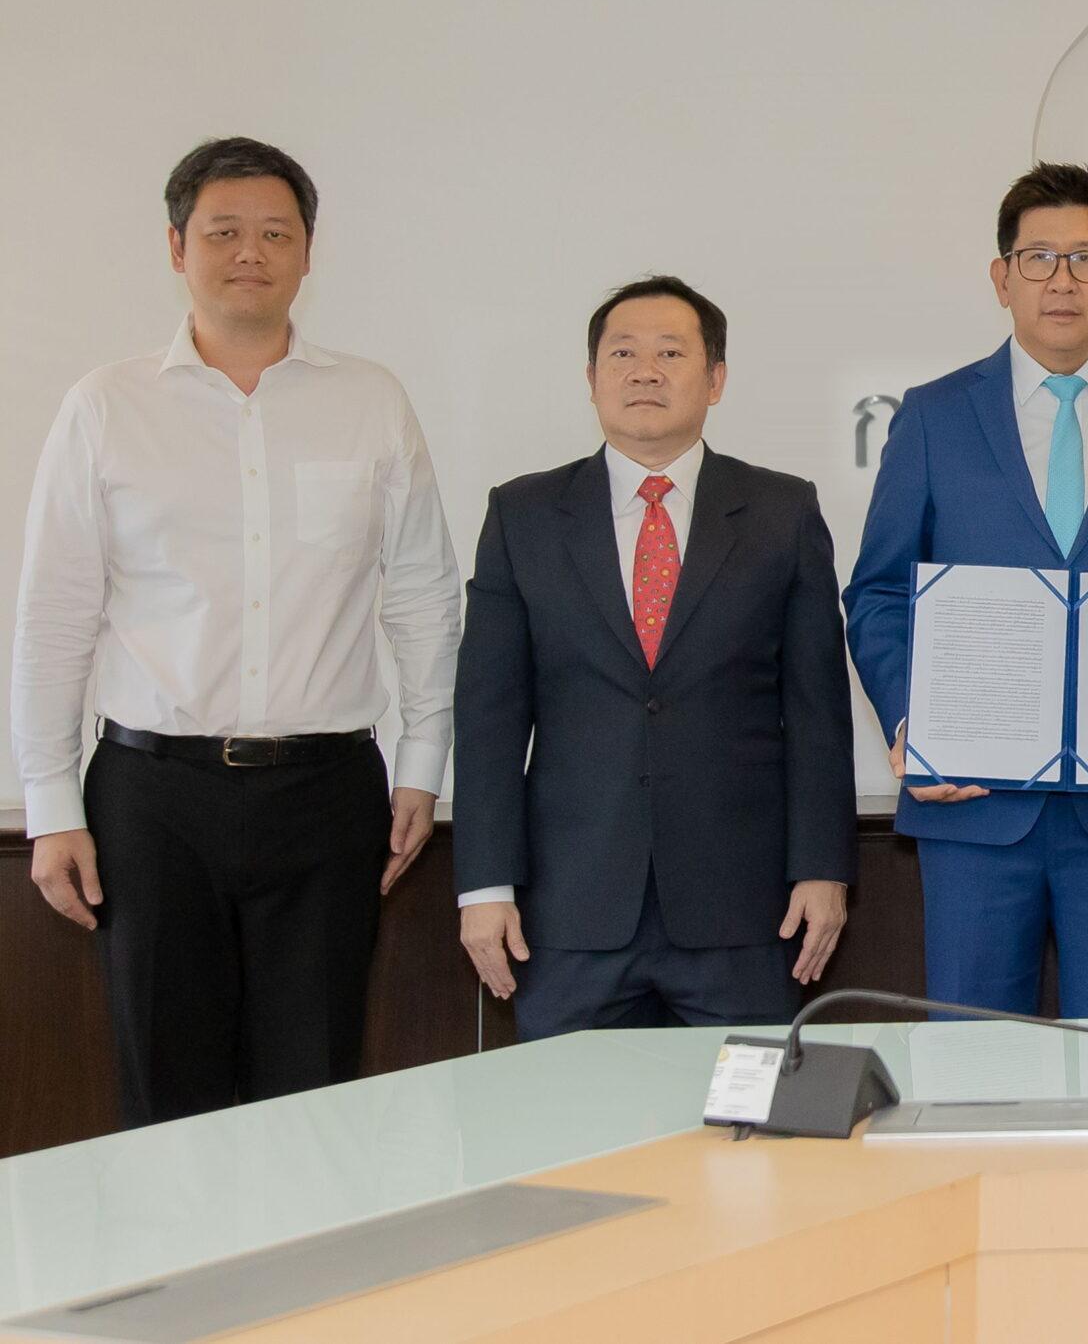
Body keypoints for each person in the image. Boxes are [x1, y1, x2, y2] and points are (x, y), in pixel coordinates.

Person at [11, 137, 462, 1124]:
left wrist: (422, 763)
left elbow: (423, 594)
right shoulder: (107, 405)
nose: (249, 252)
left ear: (308, 251)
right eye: (223, 232)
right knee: (164, 1102)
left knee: (314, 1097)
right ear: (178, 247)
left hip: (327, 793)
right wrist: (50, 803)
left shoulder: (370, 401)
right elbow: (54, 614)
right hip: (152, 800)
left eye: (274, 233)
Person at [845, 163, 1088, 1017]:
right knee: (974, 1065)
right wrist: (914, 723)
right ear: (1002, 278)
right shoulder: (933, 415)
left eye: (1086, 260)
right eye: (1039, 259)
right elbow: (878, 593)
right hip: (973, 808)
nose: (1063, 280)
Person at [451, 277, 855, 1036]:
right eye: (623, 354)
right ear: (591, 378)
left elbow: (817, 711)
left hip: (743, 910)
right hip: (569, 910)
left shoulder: (782, 512)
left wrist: (822, 867)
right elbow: (489, 716)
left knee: (750, 1112)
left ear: (715, 379)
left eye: (671, 353)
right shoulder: (523, 514)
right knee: (560, 1111)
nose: (645, 371)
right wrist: (485, 886)